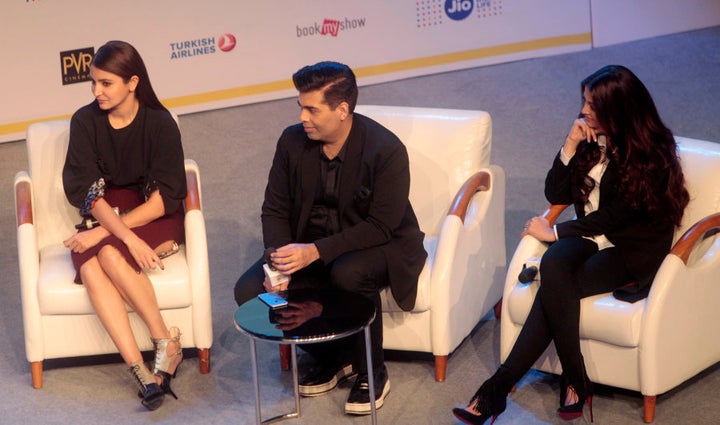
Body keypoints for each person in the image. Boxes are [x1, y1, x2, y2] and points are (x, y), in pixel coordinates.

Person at [452, 65, 690, 424]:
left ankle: (497, 388)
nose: (585, 111)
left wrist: (556, 233)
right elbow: (555, 193)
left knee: (555, 287)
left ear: (618, 109)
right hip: (589, 236)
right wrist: (569, 146)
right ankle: (576, 379)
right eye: (584, 102)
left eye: (593, 105)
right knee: (554, 265)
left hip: (628, 249)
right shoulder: (591, 140)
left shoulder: (651, 154)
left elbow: (616, 217)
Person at [234, 61, 427, 415]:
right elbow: (274, 209)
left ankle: (372, 369)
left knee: (347, 273)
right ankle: (334, 356)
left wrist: (314, 252)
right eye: (301, 107)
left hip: (378, 244)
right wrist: (278, 262)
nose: (303, 117)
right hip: (312, 245)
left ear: (342, 110)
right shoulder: (292, 142)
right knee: (249, 290)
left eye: (312, 109)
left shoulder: (386, 150)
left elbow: (381, 225)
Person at [62, 40, 186, 411]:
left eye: (106, 83)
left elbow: (165, 199)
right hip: (106, 212)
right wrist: (114, 232)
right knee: (94, 263)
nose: (97, 92)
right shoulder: (84, 121)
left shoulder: (160, 122)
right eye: (94, 84)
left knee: (109, 253)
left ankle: (163, 342)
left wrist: (107, 234)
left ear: (132, 82)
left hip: (153, 214)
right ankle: (142, 370)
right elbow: (87, 192)